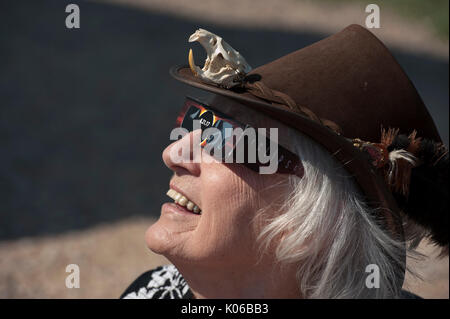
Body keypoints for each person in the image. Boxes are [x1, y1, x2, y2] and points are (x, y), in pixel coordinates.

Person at [121, 24, 448, 299]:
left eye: (227, 139)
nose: (172, 153)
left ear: (313, 224)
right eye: (197, 120)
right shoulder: (151, 293)